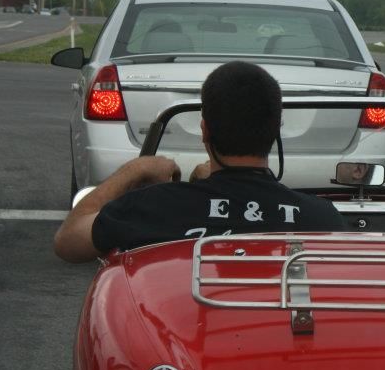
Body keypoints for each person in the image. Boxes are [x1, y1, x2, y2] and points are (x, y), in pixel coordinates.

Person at [53, 61, 346, 263]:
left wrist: (135, 169)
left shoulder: (152, 207)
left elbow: (68, 241)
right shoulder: (321, 219)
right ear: (276, 128)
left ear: (205, 130)